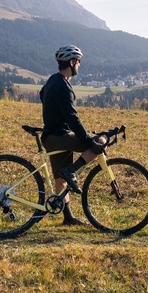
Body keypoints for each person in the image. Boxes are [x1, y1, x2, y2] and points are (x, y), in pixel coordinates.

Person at [39, 45, 106, 226]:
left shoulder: (52, 80)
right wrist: (87, 139)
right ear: (71, 62)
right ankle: (72, 170)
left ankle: (68, 217)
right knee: (99, 141)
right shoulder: (64, 86)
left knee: (60, 180)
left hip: (50, 136)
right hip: (59, 137)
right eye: (78, 61)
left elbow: (42, 94)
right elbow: (72, 117)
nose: (80, 65)